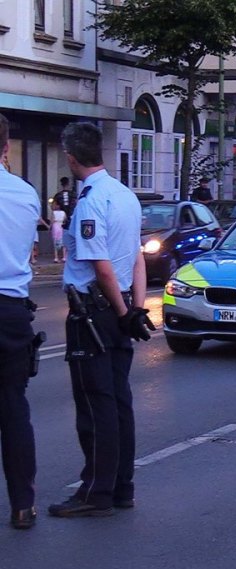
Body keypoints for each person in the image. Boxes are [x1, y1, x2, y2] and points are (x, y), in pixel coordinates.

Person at [49, 122, 155, 519]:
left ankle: (96, 492)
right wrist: (134, 309)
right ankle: (121, 486)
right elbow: (137, 257)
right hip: (119, 307)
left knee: (96, 406)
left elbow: (102, 266)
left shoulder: (92, 201)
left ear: (70, 157)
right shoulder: (125, 195)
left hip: (92, 312)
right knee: (119, 401)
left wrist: (125, 312)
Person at [0, 112, 41, 530]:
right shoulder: (26, 194)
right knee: (13, 407)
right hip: (11, 311)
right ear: (6, 148)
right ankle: (22, 505)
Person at [50, 198, 67, 262]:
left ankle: (56, 257)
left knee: (55, 241)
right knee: (63, 241)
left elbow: (52, 221)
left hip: (55, 226)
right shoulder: (63, 212)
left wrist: (49, 227)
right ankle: (64, 256)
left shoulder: (53, 212)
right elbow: (65, 219)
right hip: (61, 226)